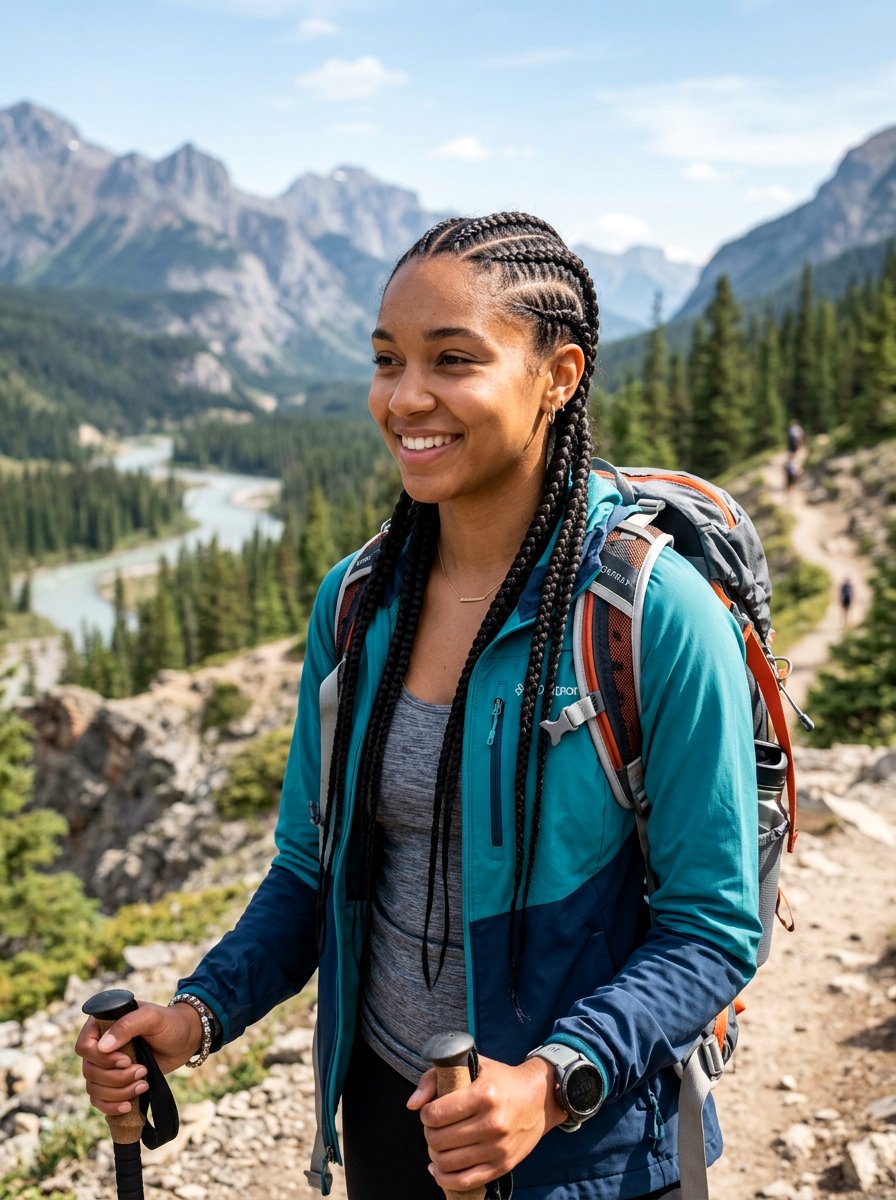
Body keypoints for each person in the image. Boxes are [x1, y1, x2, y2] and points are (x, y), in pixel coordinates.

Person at [76, 213, 760, 1200]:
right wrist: (194, 1018)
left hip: (584, 1149)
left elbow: (710, 929)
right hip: (389, 1117)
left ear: (558, 376)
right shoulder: (357, 605)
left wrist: (548, 1083)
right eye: (386, 359)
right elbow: (309, 872)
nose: (404, 398)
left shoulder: (649, 616)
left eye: (452, 359)